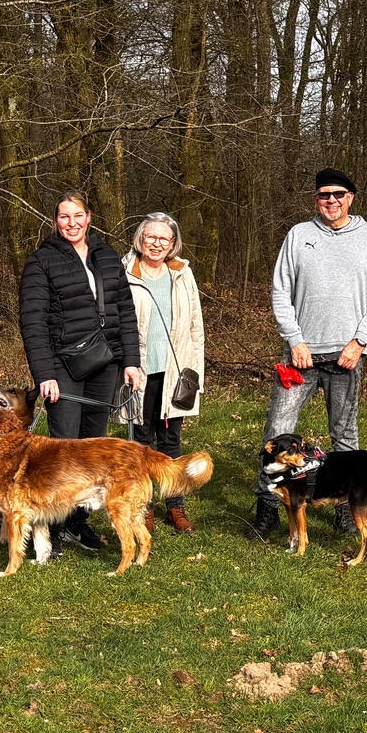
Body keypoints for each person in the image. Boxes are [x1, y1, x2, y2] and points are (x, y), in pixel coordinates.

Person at [248, 168, 367, 539]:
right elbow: (281, 291)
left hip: (347, 357)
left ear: (351, 197)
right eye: (324, 194)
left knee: (344, 437)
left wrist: (360, 342)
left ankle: (345, 509)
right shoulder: (299, 235)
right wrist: (295, 339)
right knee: (277, 431)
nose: (331, 200)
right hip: (300, 357)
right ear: (316, 199)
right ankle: (267, 509)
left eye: (338, 194)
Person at [19, 192, 142, 551]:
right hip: (62, 366)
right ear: (55, 221)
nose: (71, 223)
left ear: (88, 217)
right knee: (63, 449)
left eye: (78, 216)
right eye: (64, 217)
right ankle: (53, 527)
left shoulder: (107, 256)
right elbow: (33, 322)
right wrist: (45, 373)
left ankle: (77, 523)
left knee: (92, 448)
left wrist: (131, 361)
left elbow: (125, 311)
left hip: (106, 362)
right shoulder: (42, 260)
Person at [122, 212, 205, 534]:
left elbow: (196, 326)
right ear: (141, 239)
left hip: (175, 372)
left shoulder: (182, 273)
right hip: (139, 372)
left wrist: (195, 372)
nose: (157, 243)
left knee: (171, 440)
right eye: (151, 237)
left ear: (173, 244)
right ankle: (144, 507)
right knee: (141, 442)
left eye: (164, 239)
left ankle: (175, 507)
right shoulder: (124, 272)